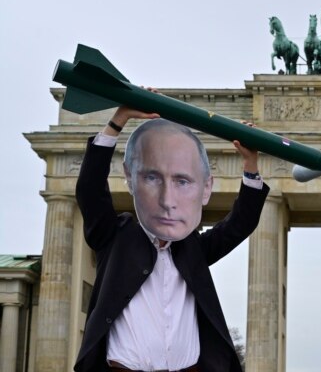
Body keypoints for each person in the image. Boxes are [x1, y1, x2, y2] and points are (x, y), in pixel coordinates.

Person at [73, 102, 269, 372]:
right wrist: (119, 119)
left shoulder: (193, 250)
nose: (167, 202)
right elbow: (90, 190)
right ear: (130, 179)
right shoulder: (115, 237)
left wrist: (250, 164)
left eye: (182, 182)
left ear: (205, 188)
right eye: (152, 178)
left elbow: (240, 223)